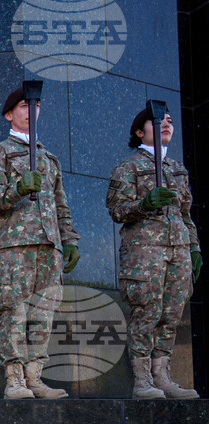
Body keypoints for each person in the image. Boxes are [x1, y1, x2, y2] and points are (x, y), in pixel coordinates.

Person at [0, 85, 81, 399]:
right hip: (15, 247)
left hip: (49, 247)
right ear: (9, 114)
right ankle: (15, 380)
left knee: (42, 316)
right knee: (14, 313)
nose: (31, 110)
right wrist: (19, 188)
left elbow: (61, 205)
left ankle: (35, 377)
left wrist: (69, 240)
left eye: (35, 105)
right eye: (24, 105)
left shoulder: (49, 159)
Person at [107, 106, 201, 399]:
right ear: (139, 132)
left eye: (170, 121)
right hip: (144, 254)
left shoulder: (177, 169)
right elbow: (117, 210)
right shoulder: (129, 167)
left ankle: (162, 376)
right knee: (147, 314)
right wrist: (145, 204)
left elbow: (185, 214)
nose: (166, 124)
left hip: (178, 252)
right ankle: (142, 380)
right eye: (158, 121)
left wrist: (194, 248)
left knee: (171, 315)